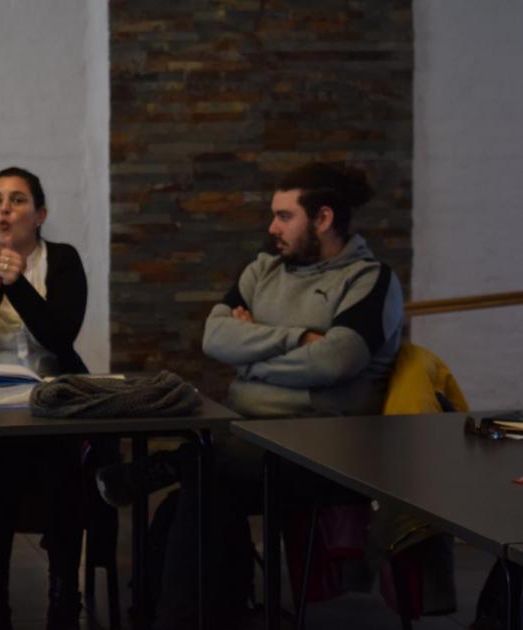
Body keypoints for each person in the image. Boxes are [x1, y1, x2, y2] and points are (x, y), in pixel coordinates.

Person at [101, 162, 405, 628]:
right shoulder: (264, 268)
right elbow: (215, 337)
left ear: (322, 218)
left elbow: (335, 362)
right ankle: (185, 614)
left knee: (204, 478)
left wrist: (250, 352)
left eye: (285, 216)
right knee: (195, 500)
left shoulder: (370, 280)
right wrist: (296, 338)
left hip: (323, 450)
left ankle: (174, 615)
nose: (271, 227)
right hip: (245, 436)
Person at [0, 166, 87, 630]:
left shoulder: (63, 260)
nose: (5, 208)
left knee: (63, 460)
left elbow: (60, 338)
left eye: (18, 200)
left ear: (40, 214)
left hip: (51, 397)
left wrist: (18, 283)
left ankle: (65, 592)